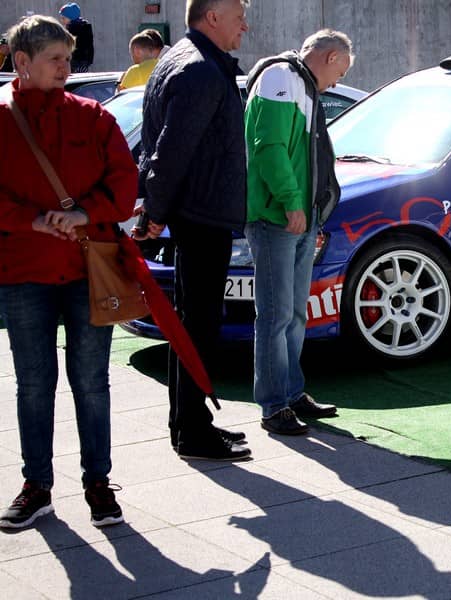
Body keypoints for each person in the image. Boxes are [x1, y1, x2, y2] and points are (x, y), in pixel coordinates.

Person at [0, 15, 137, 529]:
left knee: (91, 381)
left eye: (68, 58)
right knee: (34, 384)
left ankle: (98, 483)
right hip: (23, 271)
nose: (66, 68)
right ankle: (37, 486)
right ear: (22, 62)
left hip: (88, 271)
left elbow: (125, 184)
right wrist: (30, 220)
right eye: (55, 59)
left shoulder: (93, 117)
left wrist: (83, 213)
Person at [136, 0, 252, 461]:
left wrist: (158, 207)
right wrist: (155, 211)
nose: (245, 25)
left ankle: (191, 423)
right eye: (238, 16)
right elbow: (171, 149)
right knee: (198, 326)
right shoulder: (200, 68)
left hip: (197, 212)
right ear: (212, 17)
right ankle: (192, 431)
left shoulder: (183, 59)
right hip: (201, 216)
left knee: (192, 325)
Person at [243, 29, 352, 434]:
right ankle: (274, 405)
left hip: (298, 215)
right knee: (277, 315)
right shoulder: (281, 78)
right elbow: (269, 148)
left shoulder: (299, 83)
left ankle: (289, 393)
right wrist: (292, 202)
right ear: (329, 58)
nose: (337, 83)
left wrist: (307, 209)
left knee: (292, 314)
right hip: (279, 216)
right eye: (340, 72)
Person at [57, 3, 92, 72]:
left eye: (63, 18)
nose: (61, 20)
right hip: (80, 61)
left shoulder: (74, 29)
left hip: (77, 62)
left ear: (71, 18)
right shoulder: (84, 27)